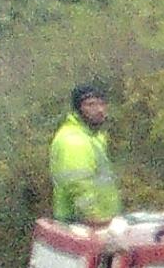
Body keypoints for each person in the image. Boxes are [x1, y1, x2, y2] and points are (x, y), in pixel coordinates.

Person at [48, 83, 120, 224]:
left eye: (102, 104)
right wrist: (95, 218)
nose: (99, 110)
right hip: (81, 225)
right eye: (91, 104)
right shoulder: (73, 140)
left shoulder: (94, 137)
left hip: (103, 222)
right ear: (78, 109)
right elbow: (79, 186)